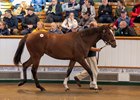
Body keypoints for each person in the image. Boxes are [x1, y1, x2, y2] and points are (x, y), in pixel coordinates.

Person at [74, 21, 102, 90]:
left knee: (92, 69)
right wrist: (96, 49)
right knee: (95, 70)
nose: (96, 28)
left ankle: (79, 77)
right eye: (95, 26)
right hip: (90, 54)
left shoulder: (90, 34)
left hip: (90, 54)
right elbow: (88, 47)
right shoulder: (90, 35)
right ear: (92, 27)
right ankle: (93, 84)